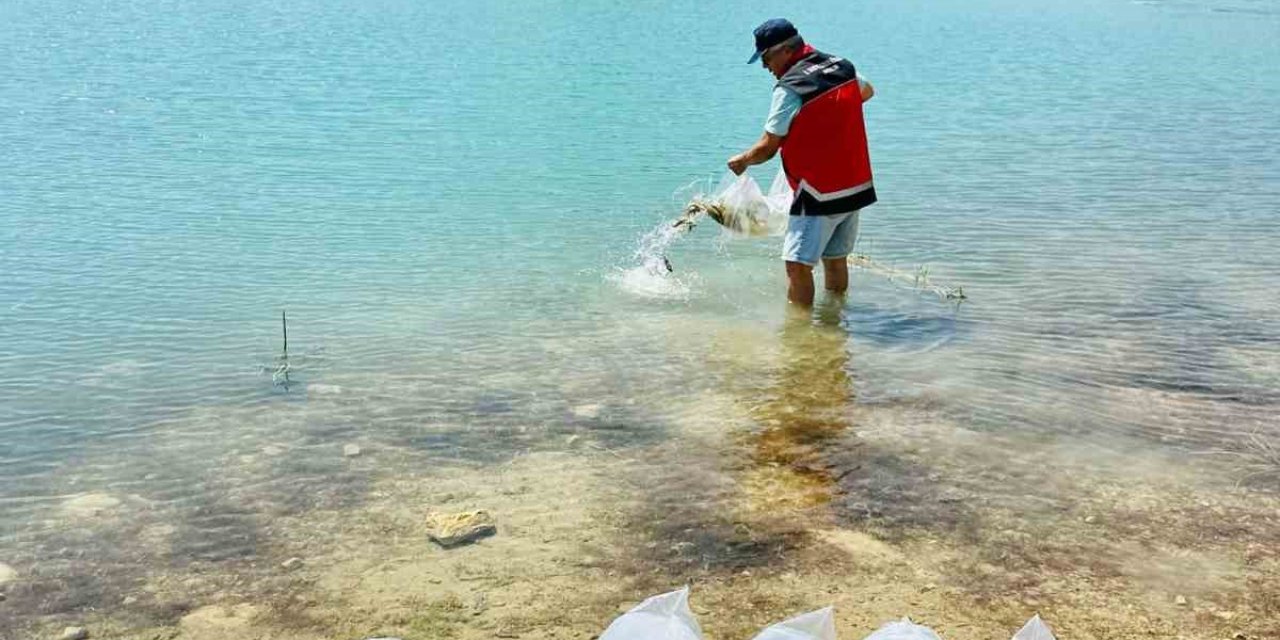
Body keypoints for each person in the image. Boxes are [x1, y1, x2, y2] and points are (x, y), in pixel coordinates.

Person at [727, 19, 876, 307]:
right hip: (855, 184)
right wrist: (826, 120)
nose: (765, 67)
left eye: (766, 58)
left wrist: (743, 160)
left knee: (797, 266)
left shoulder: (791, 87)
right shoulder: (841, 66)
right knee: (835, 260)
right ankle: (834, 321)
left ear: (784, 51)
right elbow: (866, 92)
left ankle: (799, 336)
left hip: (818, 192)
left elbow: (768, 147)